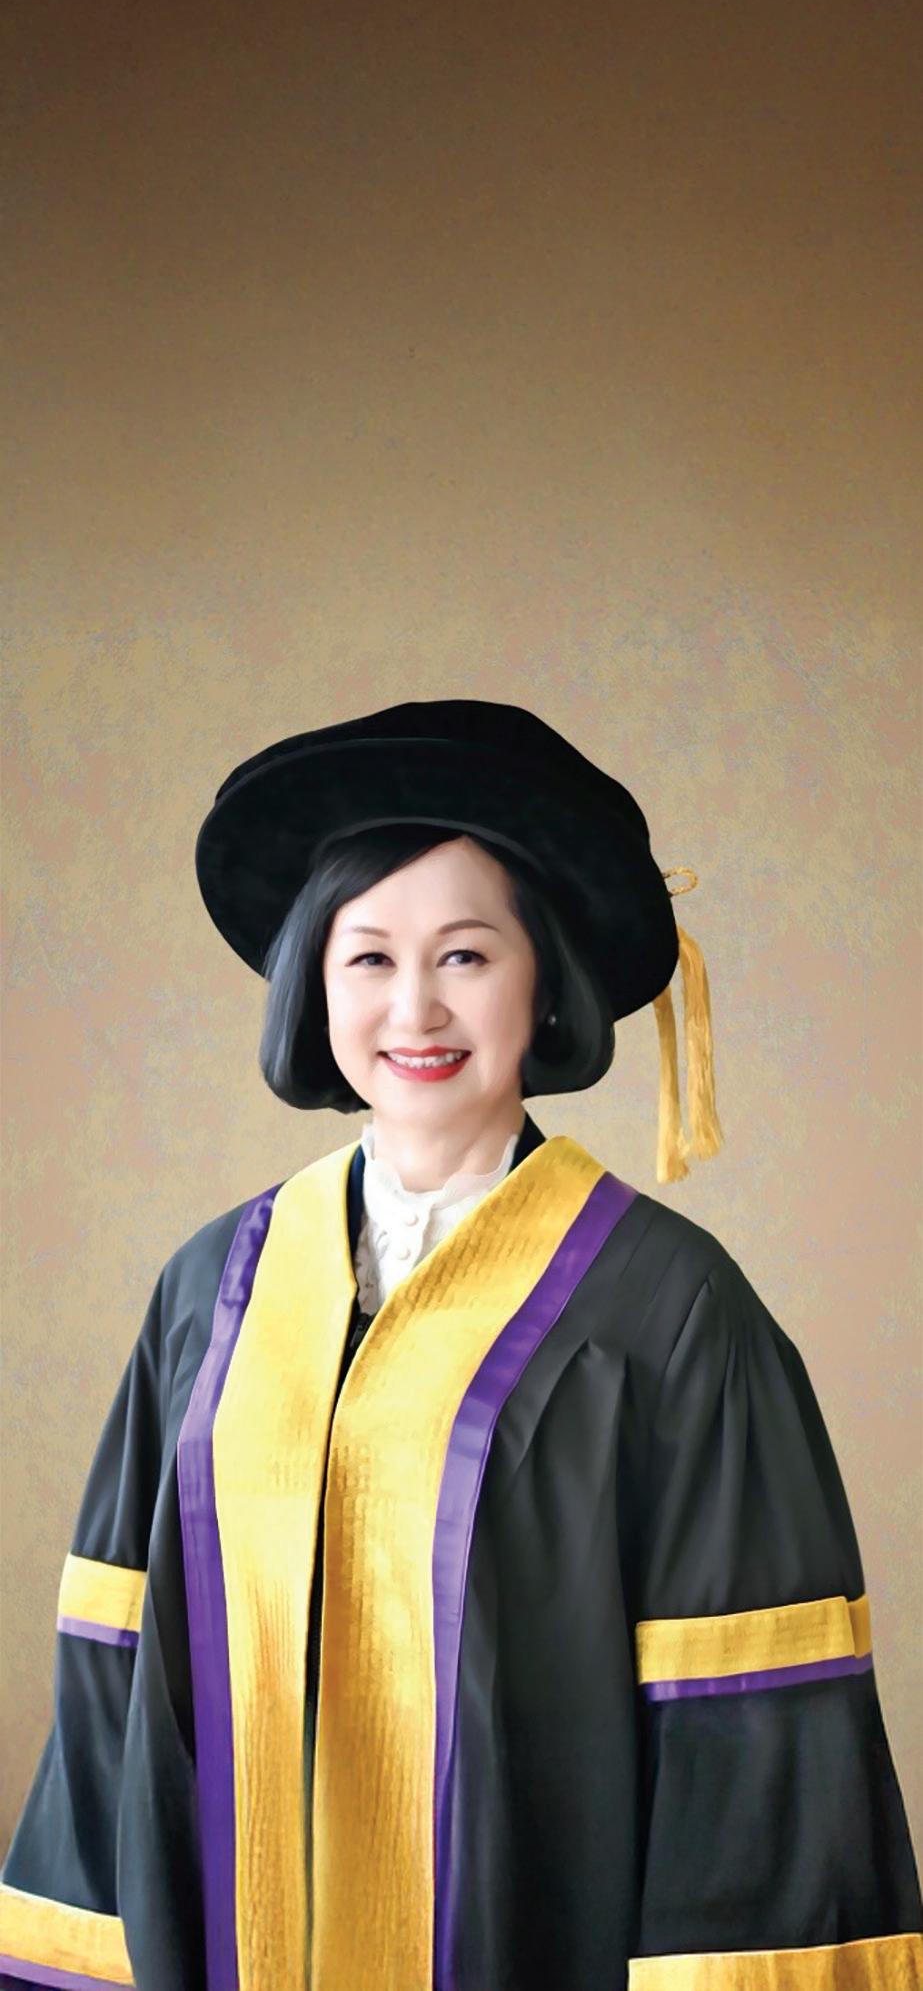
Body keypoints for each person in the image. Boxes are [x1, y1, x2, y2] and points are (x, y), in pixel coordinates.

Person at [1, 696, 920, 1991]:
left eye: (467, 956)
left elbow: (753, 1759)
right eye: (369, 957)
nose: (415, 1007)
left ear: (543, 980)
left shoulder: (668, 1311)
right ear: (313, 984)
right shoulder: (211, 1289)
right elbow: (116, 1692)